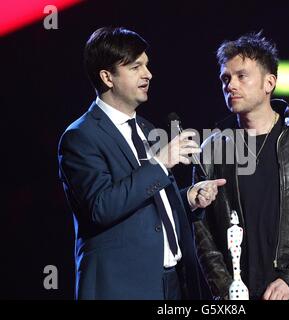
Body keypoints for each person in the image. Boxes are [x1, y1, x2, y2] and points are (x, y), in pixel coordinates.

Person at [58, 27, 225, 300]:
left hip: (172, 283)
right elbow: (101, 207)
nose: (148, 74)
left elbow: (150, 205)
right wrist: (160, 164)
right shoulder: (80, 137)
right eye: (136, 67)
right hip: (123, 286)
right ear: (107, 77)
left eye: (146, 65)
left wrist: (188, 200)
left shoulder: (147, 129)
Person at [193, 32, 289, 300]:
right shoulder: (213, 149)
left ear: (269, 82)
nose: (230, 85)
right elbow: (201, 230)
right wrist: (226, 286)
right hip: (241, 293)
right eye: (225, 78)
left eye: (241, 76)